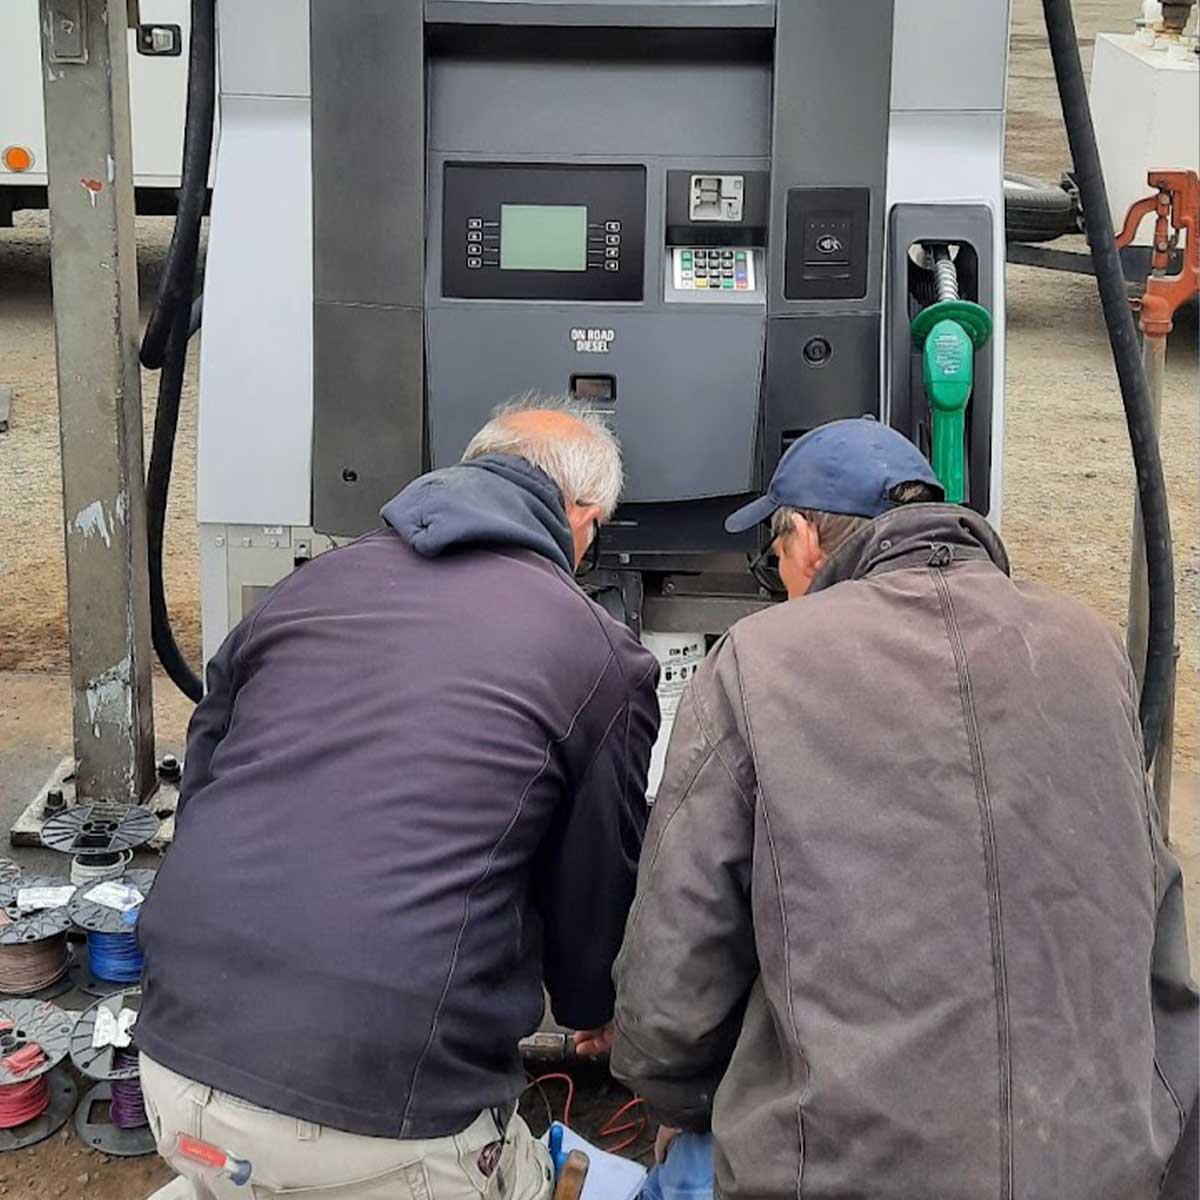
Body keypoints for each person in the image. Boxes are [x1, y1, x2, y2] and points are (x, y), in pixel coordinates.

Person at [612, 419, 1198, 1200]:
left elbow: (677, 961)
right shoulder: (1088, 645)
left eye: (773, 556)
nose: (777, 578)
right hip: (1103, 1158)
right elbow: (1156, 921)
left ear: (808, 541)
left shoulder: (758, 664)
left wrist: (679, 1098)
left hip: (844, 1173)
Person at [136, 397, 660, 1200]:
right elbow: (594, 888)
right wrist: (593, 1006)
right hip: (385, 1120)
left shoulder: (304, 590)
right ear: (582, 516)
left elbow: (205, 781)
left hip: (171, 1066)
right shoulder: (598, 655)